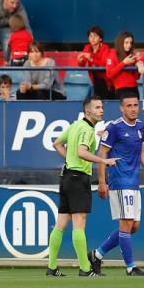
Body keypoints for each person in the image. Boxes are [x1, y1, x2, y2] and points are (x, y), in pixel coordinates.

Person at [89, 93, 144, 276]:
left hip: (134, 182)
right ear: (121, 108)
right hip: (119, 181)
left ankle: (97, 254)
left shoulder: (140, 126)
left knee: (134, 227)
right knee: (126, 225)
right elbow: (102, 154)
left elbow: (141, 154)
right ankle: (131, 267)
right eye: (129, 106)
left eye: (135, 105)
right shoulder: (114, 127)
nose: (133, 109)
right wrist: (102, 181)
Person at [47, 96, 120, 277]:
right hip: (78, 178)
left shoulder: (75, 126)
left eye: (102, 107)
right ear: (88, 111)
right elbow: (81, 151)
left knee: (60, 224)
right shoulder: (87, 129)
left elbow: (56, 143)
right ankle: (85, 269)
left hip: (66, 177)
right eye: (97, 107)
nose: (101, 110)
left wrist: (69, 159)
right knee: (79, 223)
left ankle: (52, 267)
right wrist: (104, 160)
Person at [106, 31, 144, 99]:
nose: (129, 45)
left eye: (130, 43)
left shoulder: (131, 55)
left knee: (136, 109)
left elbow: (136, 77)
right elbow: (109, 74)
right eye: (126, 42)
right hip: (121, 90)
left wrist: (139, 65)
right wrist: (124, 63)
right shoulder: (112, 54)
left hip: (134, 89)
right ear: (120, 43)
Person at [77, 25, 113, 100]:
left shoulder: (105, 48)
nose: (92, 38)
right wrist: (80, 61)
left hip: (106, 80)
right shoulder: (87, 47)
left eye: (95, 36)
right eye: (90, 36)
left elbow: (104, 64)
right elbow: (82, 64)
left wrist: (92, 59)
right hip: (94, 78)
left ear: (100, 39)